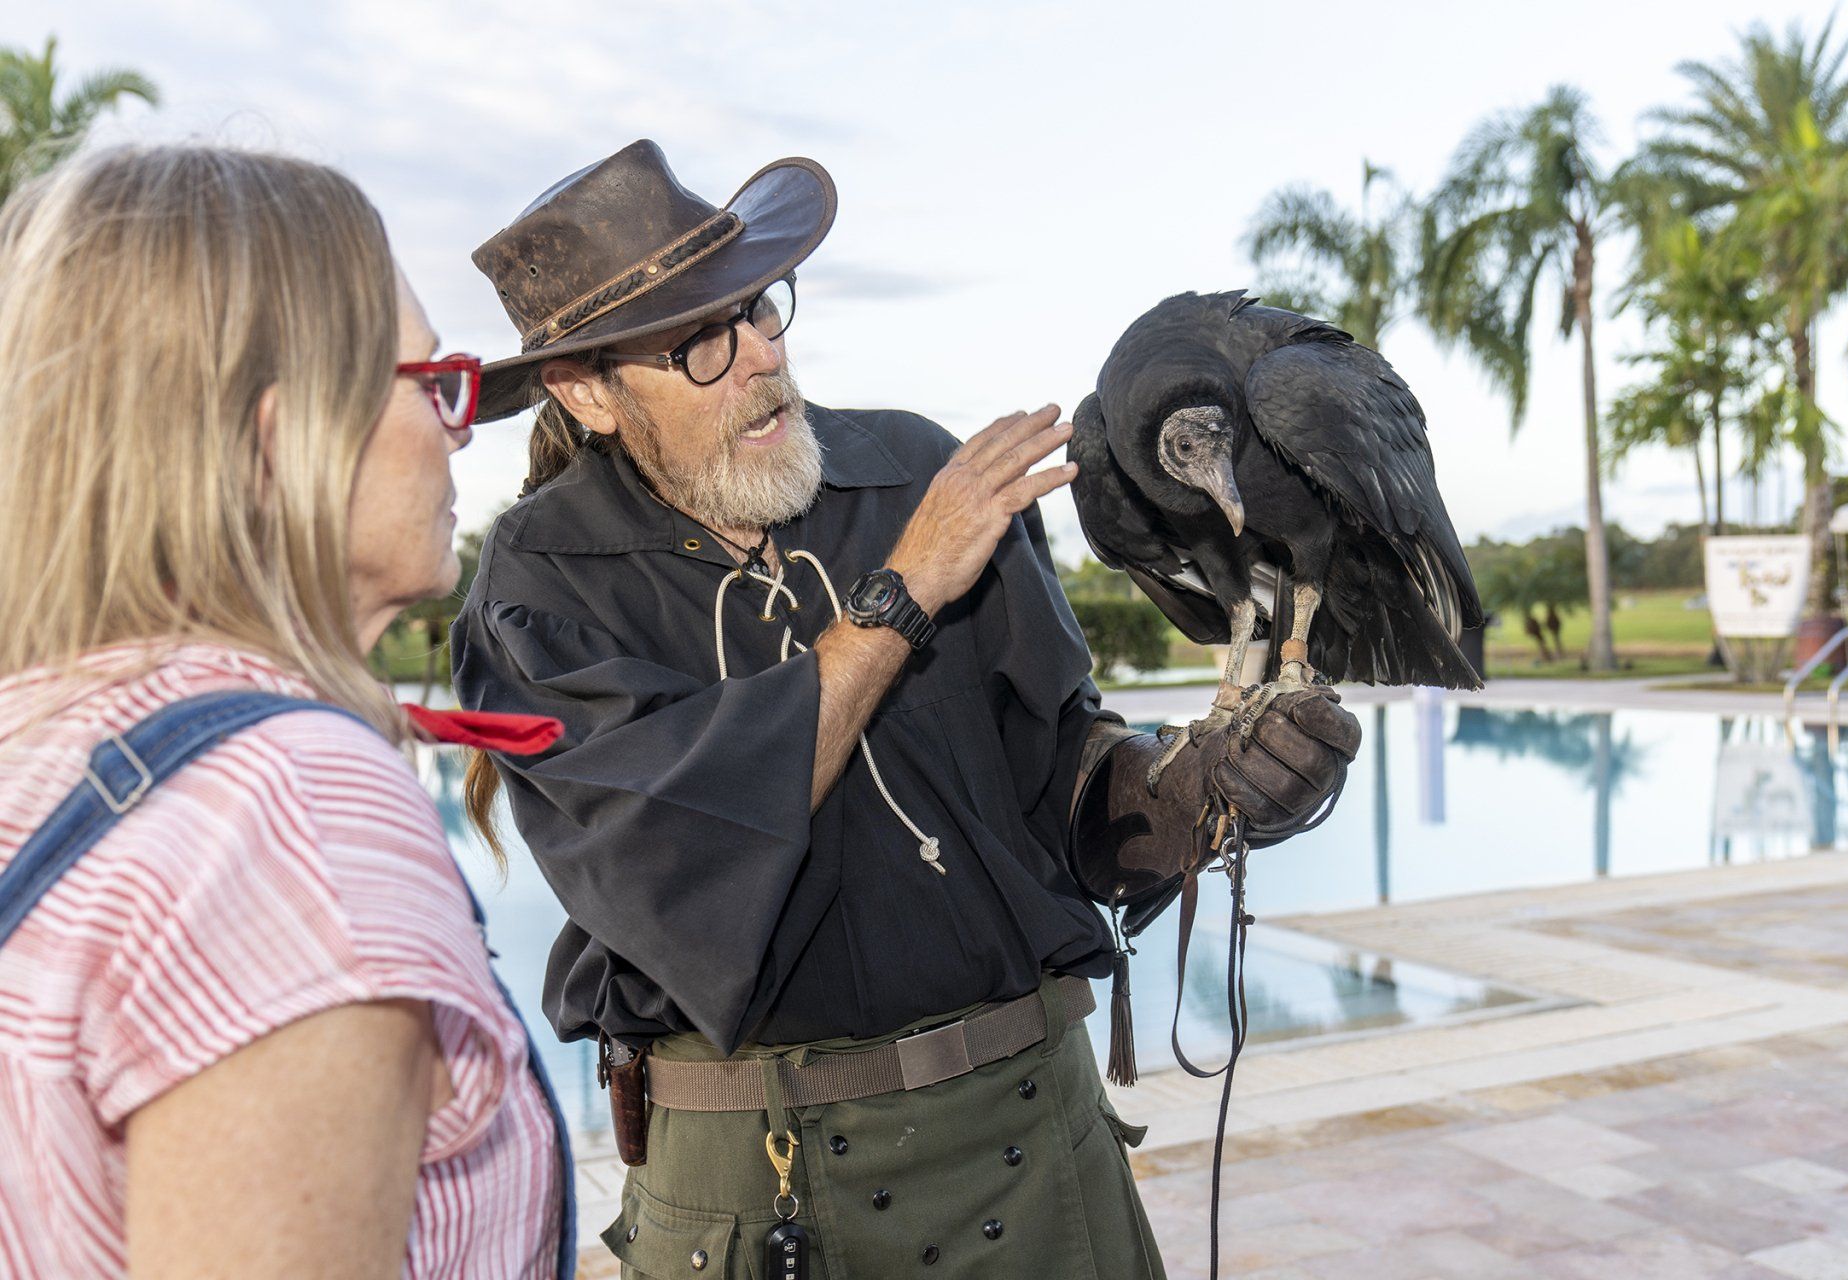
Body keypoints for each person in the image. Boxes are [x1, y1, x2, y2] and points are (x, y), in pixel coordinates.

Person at [451, 139, 1360, 1278]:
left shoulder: (915, 470)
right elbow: (673, 849)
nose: (762, 360)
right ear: (588, 391)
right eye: (701, 343)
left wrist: (1194, 791)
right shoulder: (542, 585)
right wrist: (905, 591)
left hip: (1033, 1143)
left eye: (761, 309)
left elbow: (1056, 784)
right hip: (756, 1187)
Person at [0, 145, 569, 1279]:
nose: (460, 427)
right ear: (277, 441)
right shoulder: (294, 810)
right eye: (427, 382)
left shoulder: (50, 728)